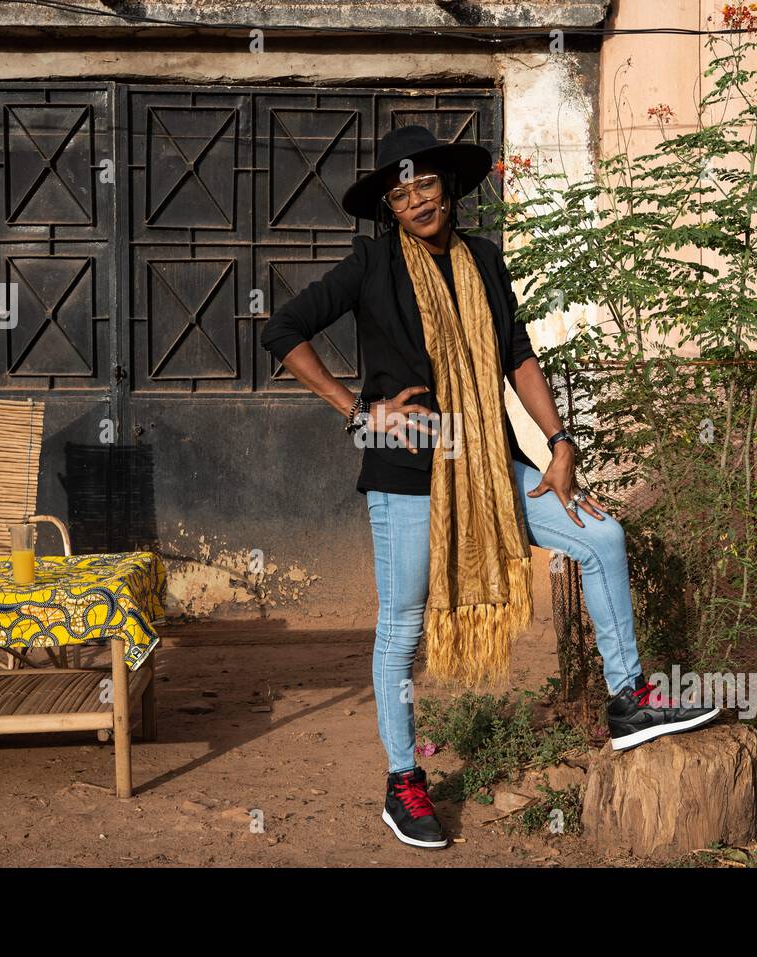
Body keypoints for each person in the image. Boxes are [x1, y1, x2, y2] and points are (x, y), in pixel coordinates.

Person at [260, 126, 719, 850]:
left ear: (450, 188)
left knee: (603, 535)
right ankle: (403, 778)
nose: (416, 200)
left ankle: (629, 700)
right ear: (390, 205)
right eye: (401, 192)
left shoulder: (483, 260)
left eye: (427, 186)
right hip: (408, 473)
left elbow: (518, 357)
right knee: (403, 624)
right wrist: (359, 413)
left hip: (491, 461)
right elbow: (282, 330)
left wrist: (559, 443)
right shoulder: (371, 265)